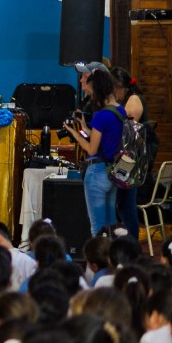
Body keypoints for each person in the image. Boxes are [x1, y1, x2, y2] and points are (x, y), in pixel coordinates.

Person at [69, 68, 124, 236]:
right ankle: (113, 259)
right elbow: (105, 139)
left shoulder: (101, 116)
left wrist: (74, 133)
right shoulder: (119, 111)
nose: (91, 96)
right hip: (112, 172)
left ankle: (98, 260)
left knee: (98, 228)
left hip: (97, 173)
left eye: (91, 92)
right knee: (111, 225)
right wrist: (85, 127)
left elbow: (91, 149)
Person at [111, 65, 146, 238]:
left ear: (118, 87)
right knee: (123, 204)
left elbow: (128, 132)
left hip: (128, 159)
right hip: (127, 157)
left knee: (126, 203)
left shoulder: (133, 100)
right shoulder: (130, 98)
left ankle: (132, 243)